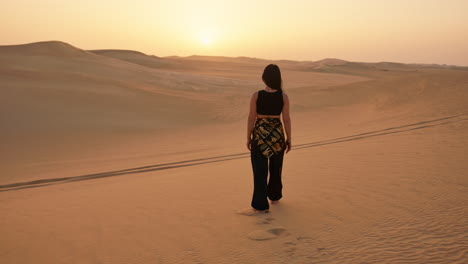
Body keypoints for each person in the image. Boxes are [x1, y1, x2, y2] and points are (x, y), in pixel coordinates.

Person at [246, 64, 292, 213]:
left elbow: (251, 117)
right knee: (276, 167)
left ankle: (260, 204)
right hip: (277, 135)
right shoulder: (283, 96)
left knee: (260, 170)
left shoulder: (257, 95)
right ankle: (274, 196)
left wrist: (248, 137)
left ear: (264, 78)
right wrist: (289, 139)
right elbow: (286, 119)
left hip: (260, 135)